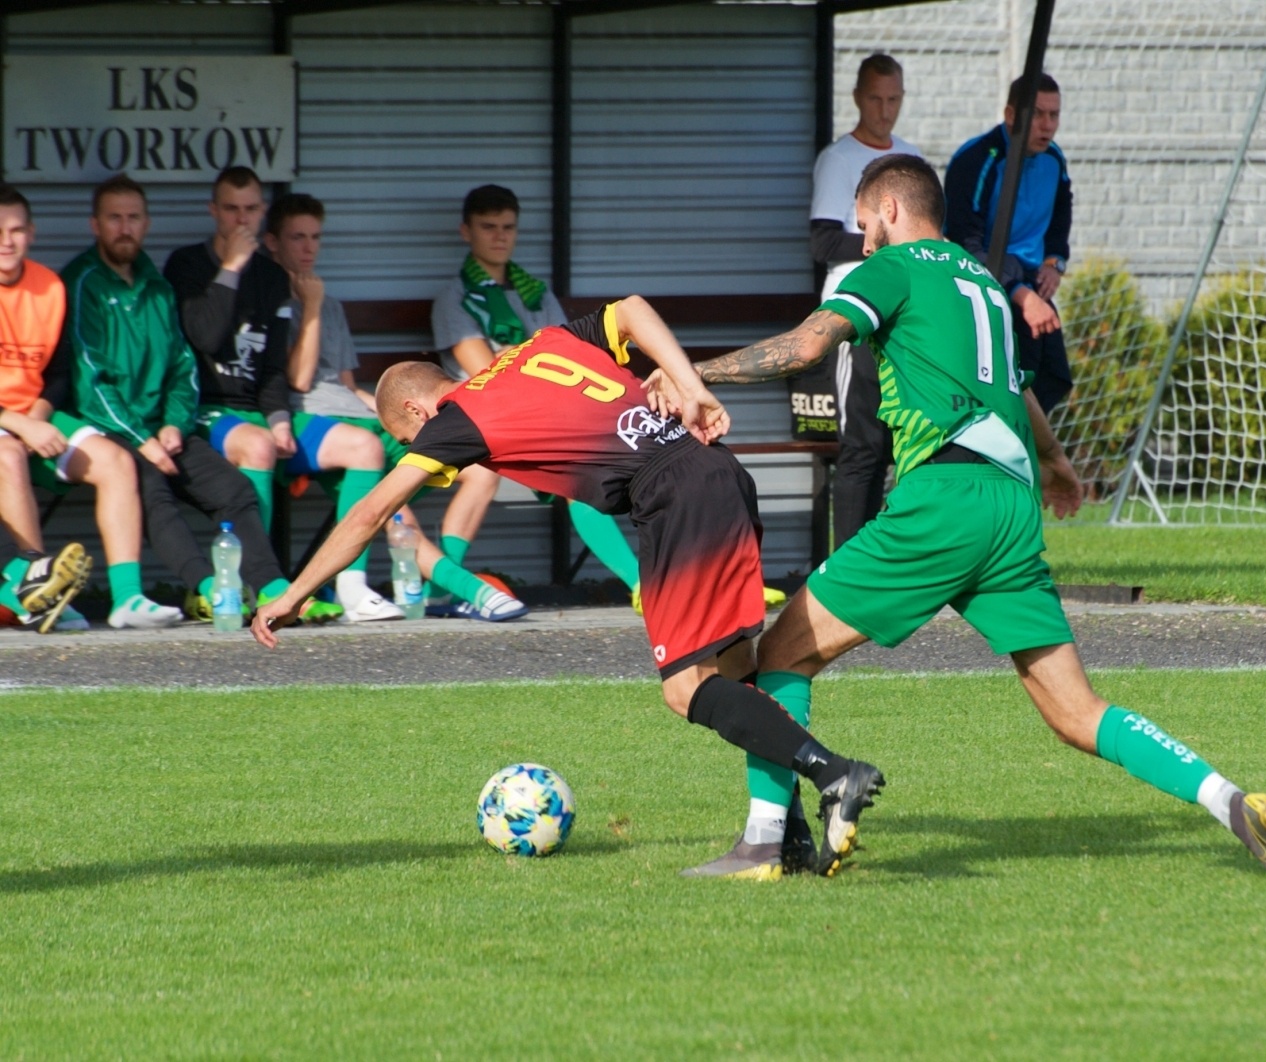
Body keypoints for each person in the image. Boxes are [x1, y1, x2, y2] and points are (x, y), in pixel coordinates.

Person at [669, 155, 1266, 883]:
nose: (864, 243)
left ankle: (764, 843)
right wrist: (1058, 461)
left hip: (943, 501)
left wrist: (691, 375)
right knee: (1075, 712)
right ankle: (1228, 799)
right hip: (1011, 506)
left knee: (781, 654)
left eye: (865, 225)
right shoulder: (983, 283)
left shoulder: (892, 267)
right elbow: (1015, 390)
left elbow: (808, 344)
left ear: (889, 210)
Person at [252, 296, 885, 877]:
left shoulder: (454, 418)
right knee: (736, 665)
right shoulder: (538, 346)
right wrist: (690, 388)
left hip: (674, 498)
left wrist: (294, 593)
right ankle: (780, 839)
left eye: (404, 439)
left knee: (685, 688)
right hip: (718, 471)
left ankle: (834, 774)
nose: (417, 449)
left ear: (417, 411)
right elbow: (632, 309)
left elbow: (369, 513)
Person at [264, 193, 524, 622]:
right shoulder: (279, 300)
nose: (309, 247)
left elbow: (348, 386)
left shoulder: (329, 303)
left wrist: (386, 416)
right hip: (311, 424)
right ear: (273, 242)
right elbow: (299, 380)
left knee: (478, 470)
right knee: (392, 500)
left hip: (355, 421)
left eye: (315, 237)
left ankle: (441, 589)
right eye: (298, 237)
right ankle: (467, 591)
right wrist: (309, 306)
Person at [61, 174, 300, 626]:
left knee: (234, 491)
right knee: (148, 484)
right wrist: (143, 439)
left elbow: (182, 363)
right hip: (110, 427)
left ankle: (273, 589)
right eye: (114, 218)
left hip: (164, 427)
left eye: (134, 217)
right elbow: (90, 378)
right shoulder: (82, 281)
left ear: (147, 223)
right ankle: (211, 591)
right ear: (95, 224)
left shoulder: (155, 282)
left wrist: (174, 424)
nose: (125, 228)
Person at [430, 183, 647, 612]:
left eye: (508, 227)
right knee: (569, 471)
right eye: (488, 227)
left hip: (551, 408)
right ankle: (446, 585)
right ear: (465, 232)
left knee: (628, 455)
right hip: (484, 418)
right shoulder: (453, 298)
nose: (500, 236)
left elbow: (576, 353)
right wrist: (532, 355)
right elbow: (486, 372)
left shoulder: (536, 292)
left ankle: (654, 583)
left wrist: (518, 355)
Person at [162, 167, 344, 622]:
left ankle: (294, 587)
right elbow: (204, 337)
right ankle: (260, 587)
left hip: (256, 412)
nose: (241, 220)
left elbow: (272, 368)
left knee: (299, 441)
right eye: (231, 209)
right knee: (258, 446)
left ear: (262, 212)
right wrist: (230, 269)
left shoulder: (272, 277)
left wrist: (280, 419)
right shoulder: (187, 264)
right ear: (213, 210)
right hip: (202, 409)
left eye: (250, 209)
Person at [812, 54, 920, 546]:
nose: (885, 110)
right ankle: (847, 568)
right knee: (862, 447)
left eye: (894, 99)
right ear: (857, 98)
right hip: (854, 316)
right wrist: (887, 239)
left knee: (906, 445)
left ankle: (892, 560)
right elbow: (823, 242)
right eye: (876, 99)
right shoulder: (839, 160)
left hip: (905, 319)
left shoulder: (911, 158)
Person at [0, 183, 99, 632]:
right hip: (9, 425)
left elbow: (59, 373)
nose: (7, 241)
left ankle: (129, 596)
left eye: (17, 230)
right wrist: (20, 427)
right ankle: (35, 584)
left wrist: (36, 418)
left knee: (116, 462)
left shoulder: (51, 287)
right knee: (7, 453)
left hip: (31, 416)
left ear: (32, 233)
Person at [943, 74, 1074, 416]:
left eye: (1054, 115)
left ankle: (1028, 443)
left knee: (1052, 376)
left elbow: (1061, 211)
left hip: (1028, 285)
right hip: (984, 291)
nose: (1047, 125)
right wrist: (1019, 294)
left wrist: (1054, 262)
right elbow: (964, 246)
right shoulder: (976, 160)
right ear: (1011, 115)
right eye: (1038, 114)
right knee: (1004, 391)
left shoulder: (1054, 159)